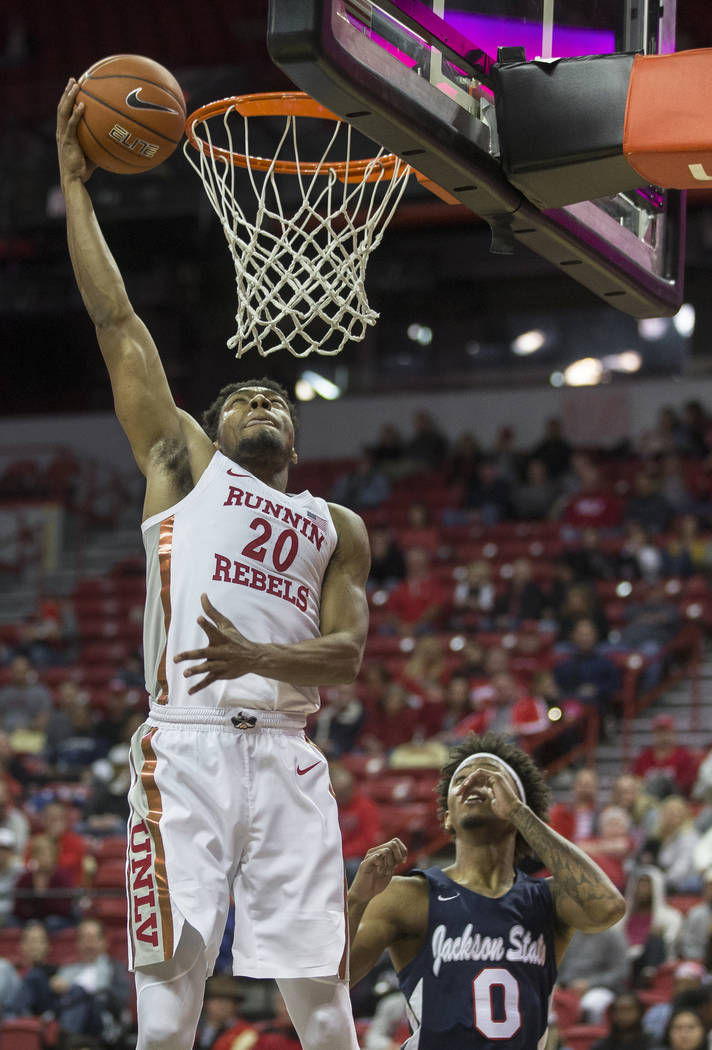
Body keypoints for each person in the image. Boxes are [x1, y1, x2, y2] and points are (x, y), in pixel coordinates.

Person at [58, 80, 372, 1050]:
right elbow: (119, 329)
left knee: (325, 1011)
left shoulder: (337, 525)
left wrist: (260, 659)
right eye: (242, 397)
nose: (263, 405)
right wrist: (75, 186)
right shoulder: (184, 466)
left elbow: (347, 656)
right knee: (166, 1016)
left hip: (287, 757)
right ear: (214, 424)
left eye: (278, 399)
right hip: (184, 748)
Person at [347, 730, 626, 1049]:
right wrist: (356, 901)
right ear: (447, 817)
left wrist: (521, 814)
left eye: (493, 780)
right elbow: (333, 981)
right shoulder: (408, 895)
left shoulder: (548, 898)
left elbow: (609, 908)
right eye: (461, 779)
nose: (475, 783)